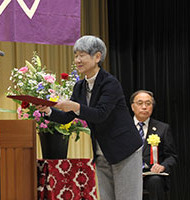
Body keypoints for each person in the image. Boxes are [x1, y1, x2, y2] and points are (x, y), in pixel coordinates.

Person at [36, 35, 143, 200]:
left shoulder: (110, 83)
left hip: (125, 151)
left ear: (97, 57)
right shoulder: (80, 86)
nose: (77, 60)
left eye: (82, 55)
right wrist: (48, 111)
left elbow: (100, 114)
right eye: (76, 55)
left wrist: (76, 107)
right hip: (102, 152)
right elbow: (67, 117)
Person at [130, 90, 177, 200]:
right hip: (129, 173)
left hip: (151, 174)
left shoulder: (162, 128)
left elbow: (172, 156)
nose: (144, 107)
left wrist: (163, 166)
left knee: (155, 181)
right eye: (140, 103)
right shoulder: (124, 128)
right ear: (133, 106)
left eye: (148, 103)